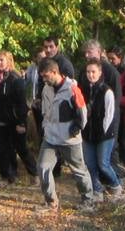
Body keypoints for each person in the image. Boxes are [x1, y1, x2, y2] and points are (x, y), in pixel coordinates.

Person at [35, 59, 97, 209]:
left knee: (79, 171)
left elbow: (82, 111)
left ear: (54, 72)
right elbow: (45, 112)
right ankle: (51, 202)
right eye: (42, 77)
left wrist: (77, 127)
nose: (44, 79)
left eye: (45, 76)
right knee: (43, 167)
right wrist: (44, 127)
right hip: (50, 137)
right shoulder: (46, 89)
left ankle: (88, 201)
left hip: (69, 139)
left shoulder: (72, 88)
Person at [0, 52, 34, 183]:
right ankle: (7, 176)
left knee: (21, 148)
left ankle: (34, 173)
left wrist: (21, 122)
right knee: (0, 149)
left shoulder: (16, 79)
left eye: (1, 60)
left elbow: (21, 103)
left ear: (9, 61)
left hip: (14, 120)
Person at [80, 61, 124, 196]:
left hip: (104, 135)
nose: (90, 75)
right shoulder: (85, 90)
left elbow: (109, 115)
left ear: (99, 73)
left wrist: (103, 132)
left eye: (93, 72)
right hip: (88, 133)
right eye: (88, 72)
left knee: (103, 164)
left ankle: (116, 185)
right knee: (90, 164)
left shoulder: (107, 91)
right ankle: (97, 191)